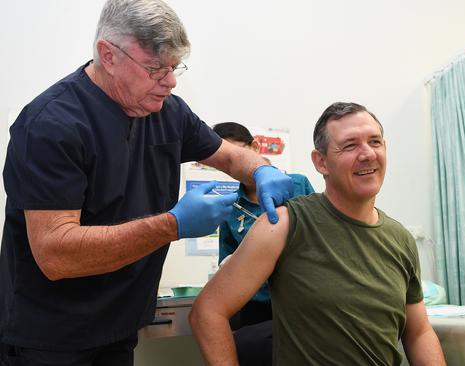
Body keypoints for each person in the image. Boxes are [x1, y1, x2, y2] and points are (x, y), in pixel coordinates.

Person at [0, 1, 293, 365]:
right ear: (108, 54)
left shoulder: (167, 111)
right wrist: (173, 225)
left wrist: (262, 170)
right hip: (50, 338)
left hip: (120, 327)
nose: (169, 81)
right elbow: (55, 254)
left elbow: (231, 156)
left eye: (174, 68)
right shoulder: (52, 125)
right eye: (156, 68)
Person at [190, 102, 446, 365]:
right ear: (321, 162)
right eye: (350, 145)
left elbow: (418, 333)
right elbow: (208, 312)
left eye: (375, 142)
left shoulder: (400, 238)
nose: (367, 153)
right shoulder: (283, 223)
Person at [212, 122, 315, 329]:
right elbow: (226, 261)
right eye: (223, 161)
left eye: (238, 152)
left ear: (256, 147)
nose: (233, 163)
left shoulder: (297, 185)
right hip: (255, 306)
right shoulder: (231, 206)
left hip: (301, 302)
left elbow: (319, 236)